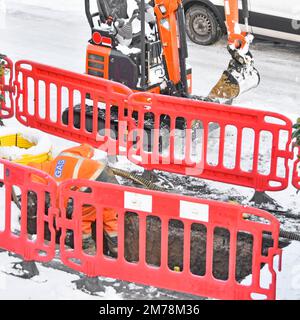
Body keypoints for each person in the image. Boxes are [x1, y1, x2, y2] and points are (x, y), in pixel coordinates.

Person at [28, 144, 119, 255]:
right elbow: (87, 148)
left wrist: (58, 215)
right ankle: (116, 248)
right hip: (106, 174)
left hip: (90, 187)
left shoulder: (54, 182)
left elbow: (60, 206)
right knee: (109, 213)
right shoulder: (63, 155)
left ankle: (88, 249)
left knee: (81, 218)